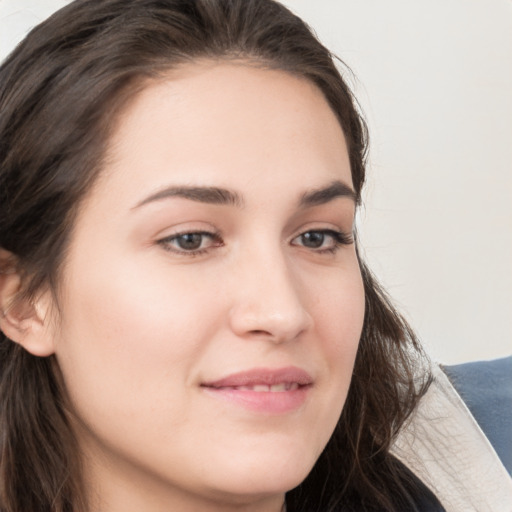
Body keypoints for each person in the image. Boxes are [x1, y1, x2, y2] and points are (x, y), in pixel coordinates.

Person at [0, 1, 510, 511]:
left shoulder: (490, 454)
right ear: (22, 299)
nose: (282, 313)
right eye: (191, 239)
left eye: (317, 237)